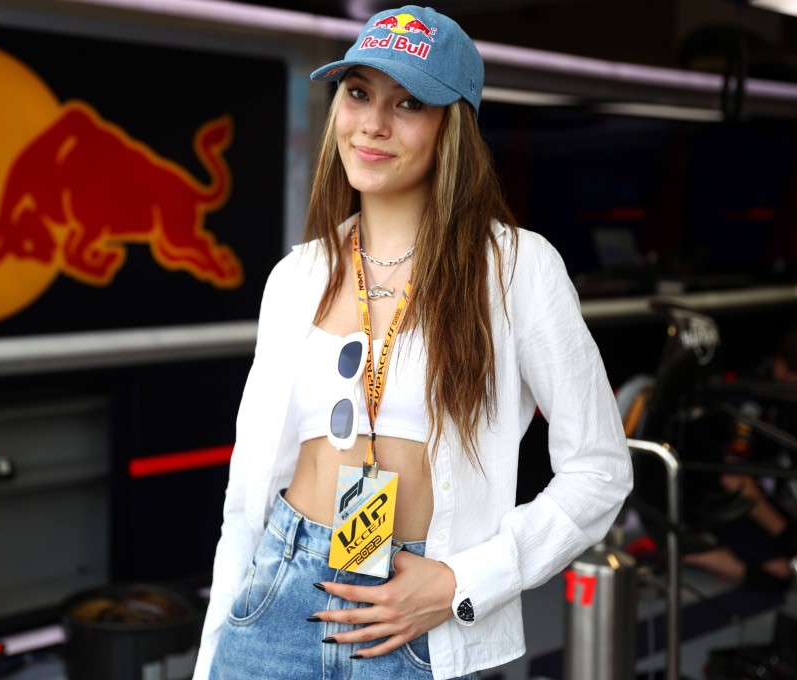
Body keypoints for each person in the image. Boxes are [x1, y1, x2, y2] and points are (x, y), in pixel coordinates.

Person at [193, 7, 633, 679]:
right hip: (278, 594)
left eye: (408, 103)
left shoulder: (515, 269)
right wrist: (212, 654)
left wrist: (461, 581)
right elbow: (245, 495)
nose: (373, 123)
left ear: (452, 127)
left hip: (414, 613)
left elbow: (600, 470)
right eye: (358, 92)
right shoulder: (298, 275)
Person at [683, 326, 797, 591]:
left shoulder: (778, 392)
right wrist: (786, 533)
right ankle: (685, 551)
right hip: (708, 498)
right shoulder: (748, 400)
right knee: (784, 572)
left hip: (742, 493)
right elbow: (733, 479)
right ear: (782, 367)